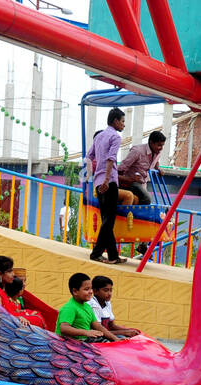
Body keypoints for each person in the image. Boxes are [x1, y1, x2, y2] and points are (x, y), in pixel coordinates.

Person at [87, 108, 127, 264]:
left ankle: (112, 255)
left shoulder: (100, 136)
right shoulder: (115, 137)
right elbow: (111, 159)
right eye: (122, 121)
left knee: (106, 219)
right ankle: (96, 253)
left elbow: (89, 156)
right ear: (115, 121)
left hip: (98, 181)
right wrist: (106, 180)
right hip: (108, 182)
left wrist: (94, 177)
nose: (123, 125)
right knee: (109, 220)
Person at [58, 272, 119, 342]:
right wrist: (86, 332)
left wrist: (115, 339)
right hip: (71, 343)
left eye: (91, 289)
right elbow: (64, 328)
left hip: (85, 340)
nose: (90, 292)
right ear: (75, 291)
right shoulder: (69, 307)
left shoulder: (87, 306)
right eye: (87, 289)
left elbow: (98, 326)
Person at [118, 130, 166, 205]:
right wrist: (123, 182)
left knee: (144, 200)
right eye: (159, 145)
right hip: (132, 182)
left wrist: (158, 168)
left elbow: (156, 161)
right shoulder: (137, 151)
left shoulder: (157, 152)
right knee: (147, 198)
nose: (161, 148)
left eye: (162, 145)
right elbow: (121, 168)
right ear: (151, 142)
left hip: (143, 182)